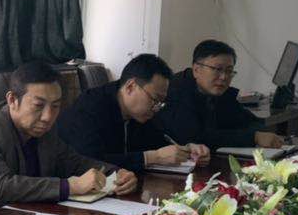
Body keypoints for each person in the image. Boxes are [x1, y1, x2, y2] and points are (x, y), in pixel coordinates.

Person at [0, 61, 137, 214]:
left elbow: (72, 162)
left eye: (55, 106)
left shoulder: (44, 128)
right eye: (38, 105)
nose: (47, 116)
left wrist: (116, 173)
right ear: (12, 100)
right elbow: (1, 187)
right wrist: (70, 186)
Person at [56, 53, 209, 172]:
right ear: (130, 87)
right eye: (154, 100)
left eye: (160, 103)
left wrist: (187, 150)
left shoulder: (139, 114)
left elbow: (157, 142)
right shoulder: (89, 108)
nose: (156, 108)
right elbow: (90, 163)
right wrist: (151, 157)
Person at [158, 39, 284, 151]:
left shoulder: (219, 90)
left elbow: (246, 120)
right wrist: (254, 137)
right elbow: (196, 138)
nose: (224, 77)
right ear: (196, 70)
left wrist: (262, 133)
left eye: (229, 71)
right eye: (217, 70)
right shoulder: (176, 92)